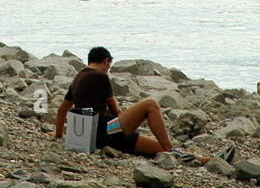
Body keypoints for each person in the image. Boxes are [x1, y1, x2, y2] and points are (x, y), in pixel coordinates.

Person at [54, 47, 203, 161]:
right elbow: (115, 110)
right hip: (108, 130)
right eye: (109, 67)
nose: (108, 70)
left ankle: (204, 160)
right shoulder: (100, 76)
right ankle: (171, 150)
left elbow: (62, 111)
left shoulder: (78, 78)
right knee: (150, 104)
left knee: (159, 149)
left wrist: (59, 136)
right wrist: (127, 124)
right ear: (106, 61)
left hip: (92, 137)